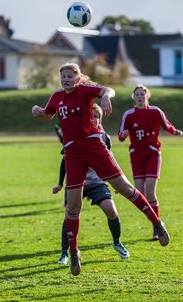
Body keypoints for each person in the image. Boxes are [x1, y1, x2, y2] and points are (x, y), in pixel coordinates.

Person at [32, 62, 170, 276]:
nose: (66, 79)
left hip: (94, 146)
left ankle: (157, 223)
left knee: (125, 188)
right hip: (73, 153)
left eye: (70, 75)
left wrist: (105, 97)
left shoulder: (85, 91)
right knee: (73, 206)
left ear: (78, 78)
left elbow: (108, 89)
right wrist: (37, 111)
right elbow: (47, 115)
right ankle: (74, 252)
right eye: (63, 76)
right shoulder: (57, 97)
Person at [53, 103, 129, 265]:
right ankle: (65, 253)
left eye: (96, 117)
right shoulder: (75, 134)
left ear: (100, 119)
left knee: (111, 210)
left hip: (97, 183)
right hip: (75, 184)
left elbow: (110, 160)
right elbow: (64, 160)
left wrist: (117, 182)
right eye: (90, 116)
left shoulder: (104, 137)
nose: (93, 119)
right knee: (70, 215)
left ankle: (117, 242)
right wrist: (60, 184)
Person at [118, 84, 183, 240]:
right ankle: (155, 222)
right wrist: (124, 135)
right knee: (140, 193)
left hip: (153, 154)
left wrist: (175, 132)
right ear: (133, 97)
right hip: (136, 156)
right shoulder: (129, 114)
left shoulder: (155, 111)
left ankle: (156, 228)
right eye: (137, 94)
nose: (140, 96)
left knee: (150, 192)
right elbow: (120, 136)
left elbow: (167, 125)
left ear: (147, 96)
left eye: (142, 94)